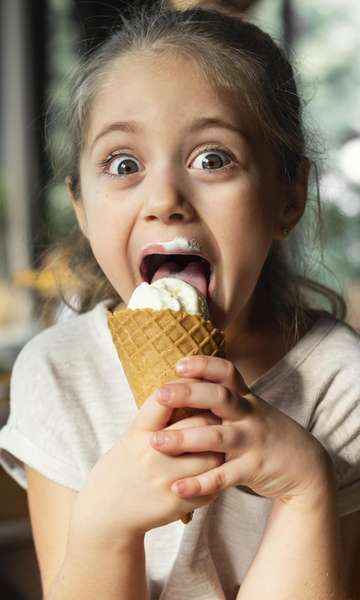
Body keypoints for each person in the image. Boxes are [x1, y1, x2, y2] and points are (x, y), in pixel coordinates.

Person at [0, 3, 359, 599]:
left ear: (288, 196)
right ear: (83, 210)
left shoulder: (340, 383)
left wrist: (306, 489)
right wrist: (104, 527)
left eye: (212, 158)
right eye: (123, 164)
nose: (165, 197)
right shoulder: (61, 375)